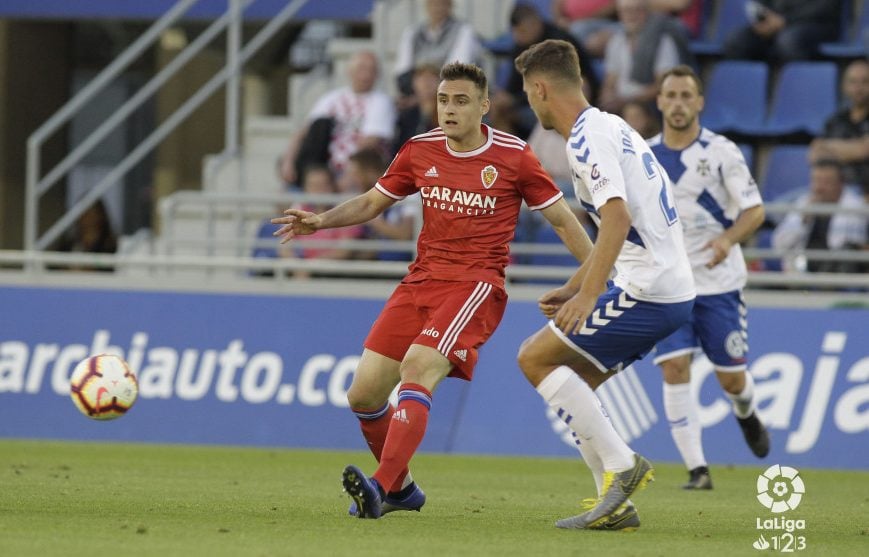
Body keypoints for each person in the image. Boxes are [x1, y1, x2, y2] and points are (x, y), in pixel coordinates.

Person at [272, 62, 594, 520]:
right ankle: (402, 488)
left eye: (461, 101)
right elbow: (371, 202)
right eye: (443, 100)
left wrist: (595, 273)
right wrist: (320, 220)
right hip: (420, 280)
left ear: (484, 106)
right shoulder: (419, 149)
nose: (449, 109)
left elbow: (562, 219)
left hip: (475, 285)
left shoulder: (514, 155)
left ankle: (379, 490)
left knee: (418, 366)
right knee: (362, 395)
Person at [514, 39, 695, 530]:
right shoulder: (611, 126)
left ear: (541, 89)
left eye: (530, 95)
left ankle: (623, 467)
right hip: (663, 284)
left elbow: (616, 218)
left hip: (649, 290)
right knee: (578, 384)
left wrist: (591, 295)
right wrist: (578, 285)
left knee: (533, 357)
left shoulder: (587, 138)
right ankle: (614, 507)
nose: (531, 103)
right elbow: (627, 232)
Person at [648, 65, 769, 490]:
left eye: (686, 95)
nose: (678, 103)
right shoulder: (643, 156)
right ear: (659, 101)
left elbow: (755, 210)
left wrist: (727, 240)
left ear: (699, 102)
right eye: (671, 95)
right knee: (674, 369)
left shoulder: (722, 152)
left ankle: (745, 411)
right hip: (670, 286)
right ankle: (697, 470)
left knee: (731, 379)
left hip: (720, 285)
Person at [279, 51, 396, 186]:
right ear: (349, 71)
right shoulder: (330, 99)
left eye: (371, 70)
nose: (366, 74)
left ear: (377, 75)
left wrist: (348, 174)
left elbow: (369, 143)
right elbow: (305, 132)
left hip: (359, 169)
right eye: (362, 68)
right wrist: (288, 161)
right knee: (295, 185)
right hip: (326, 168)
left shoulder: (381, 101)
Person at [489, 3, 600, 139]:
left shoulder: (557, 43)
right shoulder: (521, 45)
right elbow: (514, 86)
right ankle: (512, 157)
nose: (518, 36)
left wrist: (513, 100)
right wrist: (505, 98)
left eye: (522, 31)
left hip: (566, 103)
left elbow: (556, 89)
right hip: (534, 101)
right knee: (498, 110)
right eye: (516, 32)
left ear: (535, 24)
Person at [772, 160, 868, 273]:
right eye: (816, 181)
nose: (819, 188)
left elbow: (847, 249)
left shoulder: (854, 207)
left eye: (826, 182)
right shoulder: (804, 203)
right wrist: (803, 220)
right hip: (801, 274)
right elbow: (779, 245)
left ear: (840, 184)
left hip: (837, 276)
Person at [598, 0, 693, 115]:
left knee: (633, 112)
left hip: (649, 105)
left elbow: (664, 85)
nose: (631, 15)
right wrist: (607, 96)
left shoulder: (662, 41)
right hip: (620, 102)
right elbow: (610, 79)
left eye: (637, 10)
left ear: (647, 12)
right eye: (626, 11)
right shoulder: (616, 41)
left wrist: (628, 100)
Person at [392, 0, 480, 97]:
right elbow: (403, 72)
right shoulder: (412, 33)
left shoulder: (464, 30)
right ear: (426, 5)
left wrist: (430, 86)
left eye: (442, 3)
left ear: (450, 5)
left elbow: (456, 72)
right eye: (433, 3)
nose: (437, 7)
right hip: (416, 95)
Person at [809, 59, 869, 196]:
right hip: (832, 193)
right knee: (795, 215)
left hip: (865, 194)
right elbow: (815, 154)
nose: (858, 88)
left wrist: (828, 146)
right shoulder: (835, 120)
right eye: (853, 82)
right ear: (844, 86)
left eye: (865, 82)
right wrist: (854, 148)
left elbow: (864, 150)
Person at [723, 0, 842, 65]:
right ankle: (745, 95)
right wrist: (764, 18)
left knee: (789, 41)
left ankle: (798, 90)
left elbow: (824, 8)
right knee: (736, 40)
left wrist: (785, 20)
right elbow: (760, 4)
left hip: (816, 25)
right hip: (776, 24)